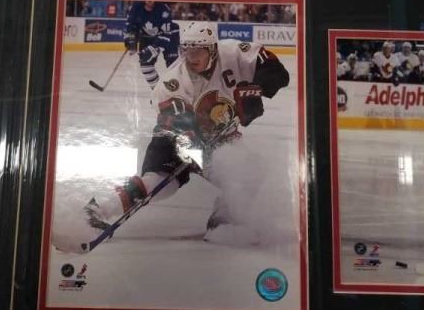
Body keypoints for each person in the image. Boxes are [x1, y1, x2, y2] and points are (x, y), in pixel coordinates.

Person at [85, 21, 292, 247]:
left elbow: (278, 72)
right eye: (187, 51)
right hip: (173, 138)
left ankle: (222, 219)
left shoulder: (234, 53)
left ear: (212, 49)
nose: (191, 57)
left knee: (251, 173)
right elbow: (175, 124)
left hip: (221, 137)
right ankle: (98, 210)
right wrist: (195, 142)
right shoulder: (173, 81)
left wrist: (255, 90)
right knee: (159, 183)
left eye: (198, 51)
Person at [124, 0, 180, 88]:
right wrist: (130, 38)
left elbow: (166, 33)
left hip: (168, 37)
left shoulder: (163, 9)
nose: (150, 0)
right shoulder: (136, 6)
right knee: (145, 63)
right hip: (147, 37)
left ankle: (179, 90)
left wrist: (155, 47)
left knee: (173, 66)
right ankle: (158, 91)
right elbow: (131, 24)